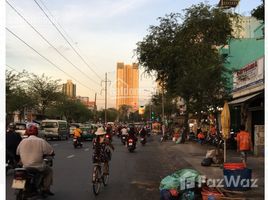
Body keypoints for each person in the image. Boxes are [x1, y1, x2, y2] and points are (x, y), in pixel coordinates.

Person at [16, 124, 55, 196]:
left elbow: (17, 152)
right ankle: (46, 189)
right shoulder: (41, 141)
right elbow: (51, 152)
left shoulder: (23, 141)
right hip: (38, 166)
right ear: (37, 133)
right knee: (49, 171)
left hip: (25, 167)